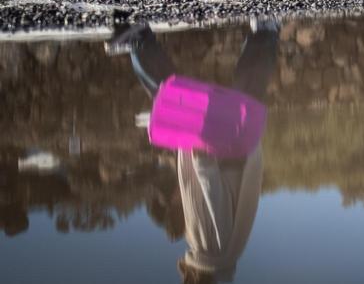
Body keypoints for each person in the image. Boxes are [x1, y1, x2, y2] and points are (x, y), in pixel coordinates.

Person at [112, 19, 279, 283]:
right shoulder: (211, 252)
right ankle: (140, 41)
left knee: (245, 96)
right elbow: (213, 198)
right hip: (219, 156)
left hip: (236, 154)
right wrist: (201, 156)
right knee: (176, 103)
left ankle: (265, 33)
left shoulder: (227, 256)